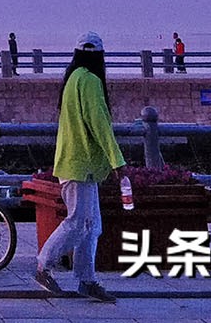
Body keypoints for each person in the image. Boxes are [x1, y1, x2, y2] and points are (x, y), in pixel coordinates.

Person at [35, 33, 121, 304]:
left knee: (91, 225)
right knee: (78, 221)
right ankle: (43, 265)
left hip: (77, 163)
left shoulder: (72, 78)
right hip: (80, 165)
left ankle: (87, 279)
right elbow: (100, 124)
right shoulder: (91, 81)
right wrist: (118, 161)